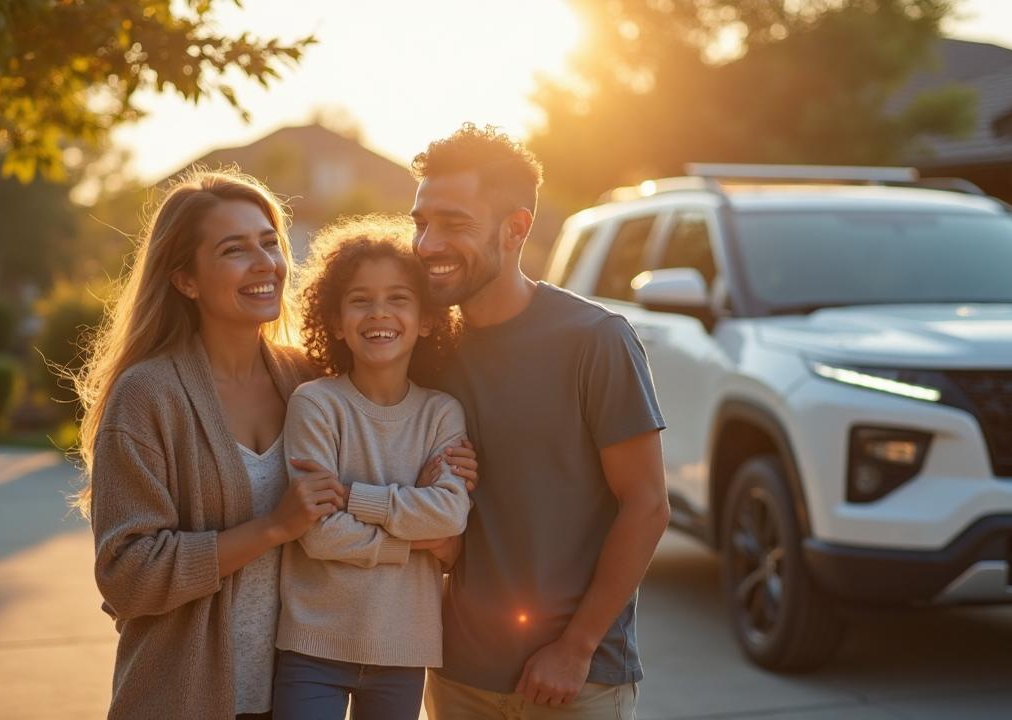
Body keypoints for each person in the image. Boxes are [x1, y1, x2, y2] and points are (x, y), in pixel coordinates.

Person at [75, 170, 477, 719]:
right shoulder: (148, 395)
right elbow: (126, 576)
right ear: (186, 279)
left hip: (297, 682)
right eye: (234, 250)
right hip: (187, 695)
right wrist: (271, 528)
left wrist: (446, 482)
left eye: (270, 243)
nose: (265, 264)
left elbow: (387, 458)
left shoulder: (305, 382)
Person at [410, 124, 671, 719]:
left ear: (516, 228)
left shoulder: (596, 340)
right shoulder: (425, 347)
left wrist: (575, 648)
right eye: (421, 222)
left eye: (454, 223)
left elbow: (647, 504)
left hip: (575, 681)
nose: (427, 243)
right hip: (454, 676)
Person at [273, 215, 471, 720]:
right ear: (336, 320)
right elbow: (318, 534)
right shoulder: (315, 404)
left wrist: (354, 496)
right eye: (360, 299)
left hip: (405, 647)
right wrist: (413, 535)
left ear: (426, 318)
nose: (378, 312)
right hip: (312, 644)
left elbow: (449, 516)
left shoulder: (441, 413)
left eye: (398, 298)